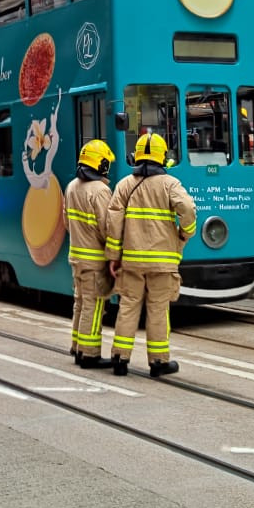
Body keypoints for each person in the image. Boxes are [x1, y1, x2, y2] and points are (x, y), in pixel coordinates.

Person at [104, 133, 196, 378]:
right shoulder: (170, 184)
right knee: (158, 310)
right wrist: (185, 233)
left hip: (132, 261)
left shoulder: (124, 184)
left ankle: (119, 359)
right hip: (162, 262)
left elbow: (113, 222)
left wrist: (114, 255)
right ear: (162, 157)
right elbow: (187, 208)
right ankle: (158, 362)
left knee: (128, 307)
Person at [64, 139, 116, 369]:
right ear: (102, 164)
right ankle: (90, 354)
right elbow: (108, 228)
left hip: (76, 256)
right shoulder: (101, 190)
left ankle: (77, 347)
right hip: (94, 260)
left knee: (80, 303)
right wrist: (116, 252)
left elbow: (66, 222)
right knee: (93, 307)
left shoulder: (72, 186)